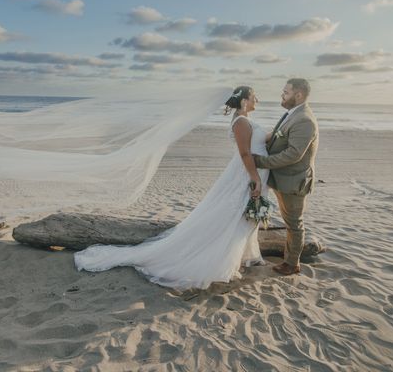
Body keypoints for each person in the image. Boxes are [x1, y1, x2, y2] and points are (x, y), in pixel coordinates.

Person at [74, 86, 269, 290]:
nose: (258, 98)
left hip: (243, 174)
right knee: (230, 215)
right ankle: (215, 257)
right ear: (245, 100)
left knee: (238, 216)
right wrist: (255, 177)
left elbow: (257, 142)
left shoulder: (244, 120)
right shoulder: (241, 122)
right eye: (254, 95)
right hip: (243, 175)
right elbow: (245, 154)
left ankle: (241, 255)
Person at [253, 78, 319, 276]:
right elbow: (276, 136)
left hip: (293, 181)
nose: (282, 95)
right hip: (283, 179)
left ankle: (292, 264)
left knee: (294, 223)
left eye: (286, 92)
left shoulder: (304, 120)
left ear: (298, 95)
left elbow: (293, 154)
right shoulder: (293, 114)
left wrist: (260, 161)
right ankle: (290, 259)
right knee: (289, 220)